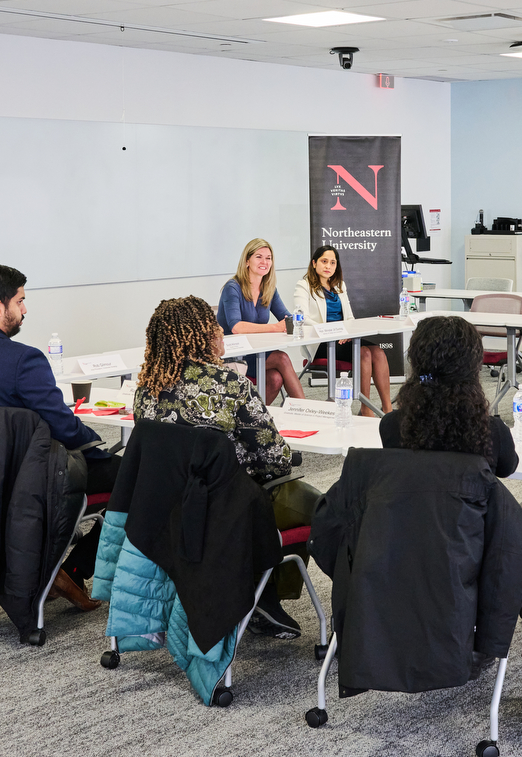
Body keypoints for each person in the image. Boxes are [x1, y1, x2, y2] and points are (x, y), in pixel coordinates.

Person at [133, 295, 320, 639]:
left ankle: (263, 595)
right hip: (225, 512)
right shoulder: (230, 386)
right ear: (203, 336)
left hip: (164, 511)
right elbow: (275, 456)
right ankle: (268, 595)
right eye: (214, 327)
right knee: (315, 505)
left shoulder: (146, 390)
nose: (221, 332)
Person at [0, 263, 113, 610]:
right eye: (21, 301)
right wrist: (95, 443)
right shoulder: (25, 361)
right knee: (136, 478)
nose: (25, 309)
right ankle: (75, 568)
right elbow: (61, 425)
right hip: (35, 477)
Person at [378, 315, 519, 478]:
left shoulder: (392, 426)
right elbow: (507, 468)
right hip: (468, 504)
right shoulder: (492, 431)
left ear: (416, 361)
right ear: (473, 365)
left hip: (410, 504)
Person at [292, 244, 391, 416]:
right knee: (364, 353)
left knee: (378, 352)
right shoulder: (303, 285)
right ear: (314, 263)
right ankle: (366, 408)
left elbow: (350, 319)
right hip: (319, 341)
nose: (328, 266)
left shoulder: (340, 286)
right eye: (324, 261)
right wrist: (333, 331)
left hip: (343, 338)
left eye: (332, 263)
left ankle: (388, 409)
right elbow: (302, 318)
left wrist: (347, 333)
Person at [217, 238, 305, 403]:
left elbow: (286, 318)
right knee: (282, 358)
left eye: (268, 258)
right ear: (247, 261)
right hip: (232, 355)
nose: (264, 261)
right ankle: (308, 411)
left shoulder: (269, 288)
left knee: (275, 378)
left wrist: (298, 321)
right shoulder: (232, 287)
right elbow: (237, 327)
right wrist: (276, 328)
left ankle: (253, 419)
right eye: (259, 257)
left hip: (255, 350)